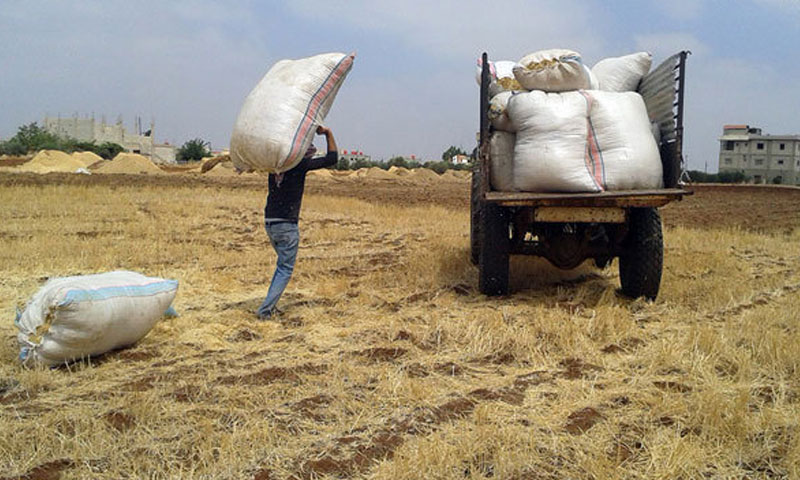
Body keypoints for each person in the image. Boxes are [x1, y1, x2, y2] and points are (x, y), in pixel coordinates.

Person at [257, 125, 338, 320]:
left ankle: (271, 303)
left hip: (270, 222)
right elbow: (332, 159)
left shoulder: (274, 166)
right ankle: (265, 311)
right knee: (285, 268)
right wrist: (328, 133)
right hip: (286, 224)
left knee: (281, 265)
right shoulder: (299, 165)